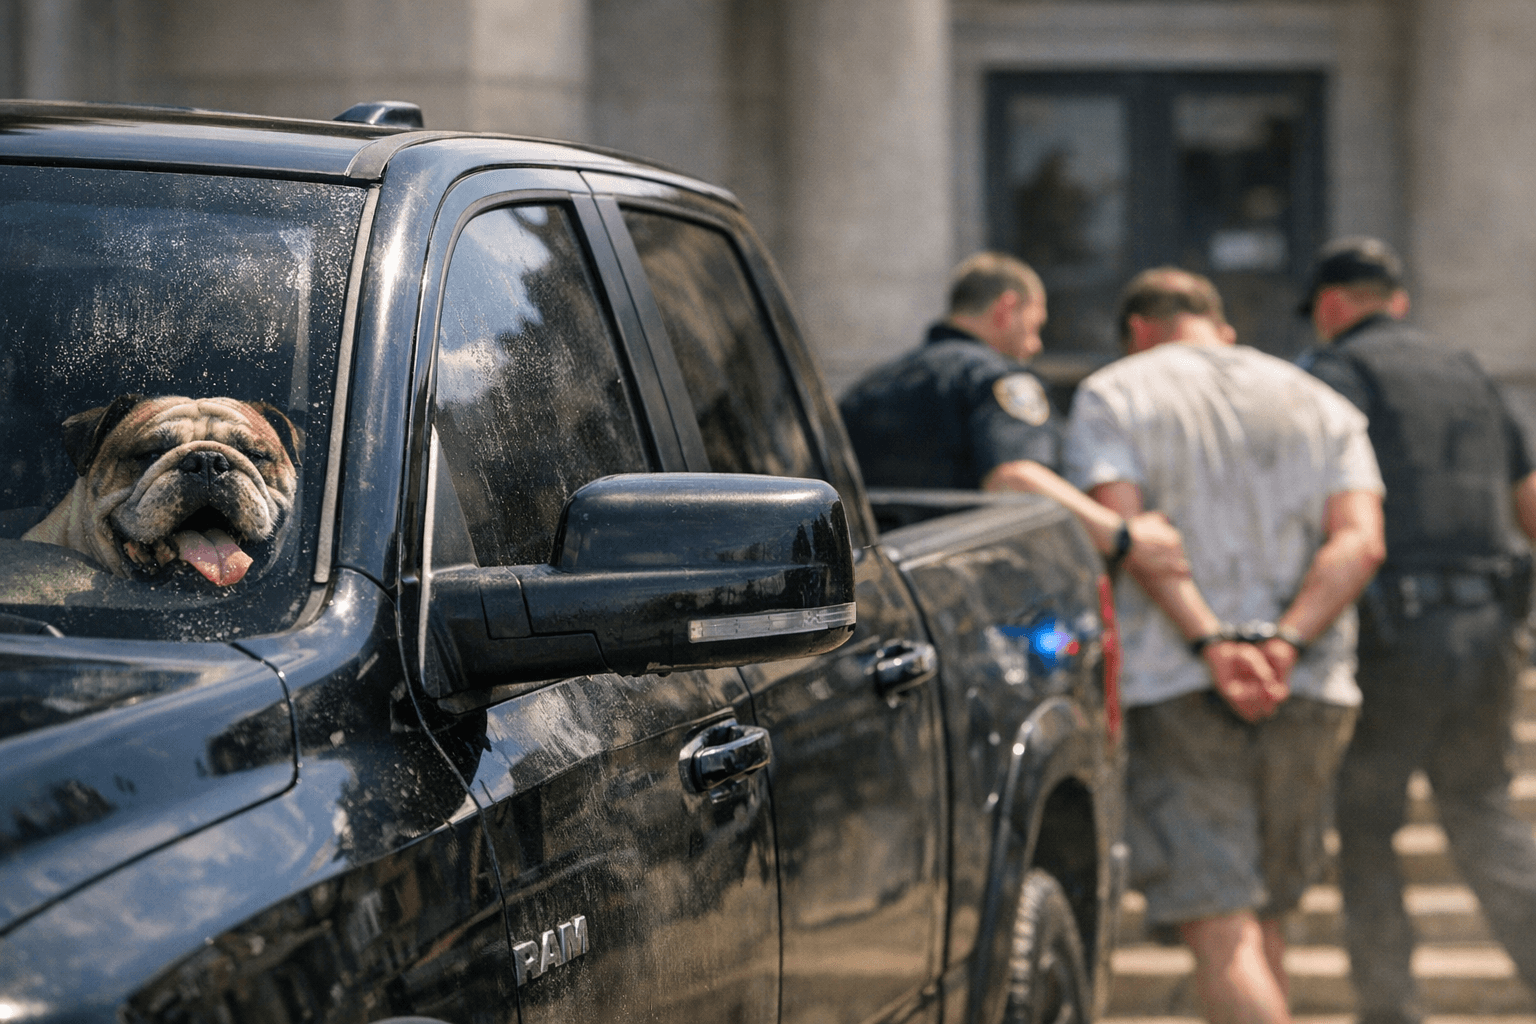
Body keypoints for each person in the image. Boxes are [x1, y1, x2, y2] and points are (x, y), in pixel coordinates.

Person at [1065, 267, 1386, 1024]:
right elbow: (1361, 543)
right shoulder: (1323, 401)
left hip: (1175, 682)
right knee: (1267, 915)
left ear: (1140, 328)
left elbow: (1135, 542)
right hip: (1308, 683)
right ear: (1222, 325)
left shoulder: (1115, 392)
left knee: (1221, 930)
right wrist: (1285, 643)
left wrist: (1213, 643)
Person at [1297, 236, 1536, 1024]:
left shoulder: (1333, 373)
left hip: (1395, 637)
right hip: (1489, 626)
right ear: (1396, 299)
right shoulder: (1470, 373)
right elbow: (1530, 502)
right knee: (1480, 811)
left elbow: (1314, 508)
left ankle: (1390, 1007)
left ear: (1333, 305)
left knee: (1366, 820)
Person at [840, 251, 1185, 572]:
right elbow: (1015, 477)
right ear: (1007, 308)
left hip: (869, 585)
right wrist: (1123, 537)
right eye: (1035, 326)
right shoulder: (996, 376)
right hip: (964, 583)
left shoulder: (868, 388)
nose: (1036, 345)